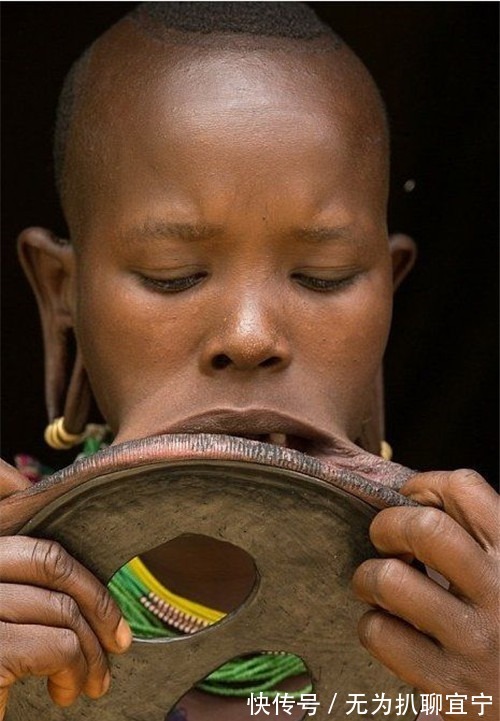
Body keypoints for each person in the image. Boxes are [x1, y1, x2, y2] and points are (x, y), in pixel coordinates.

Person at [0, 3, 497, 720]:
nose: (251, 333)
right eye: (173, 273)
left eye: (323, 275)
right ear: (61, 296)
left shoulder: (478, 633)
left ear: (390, 300)